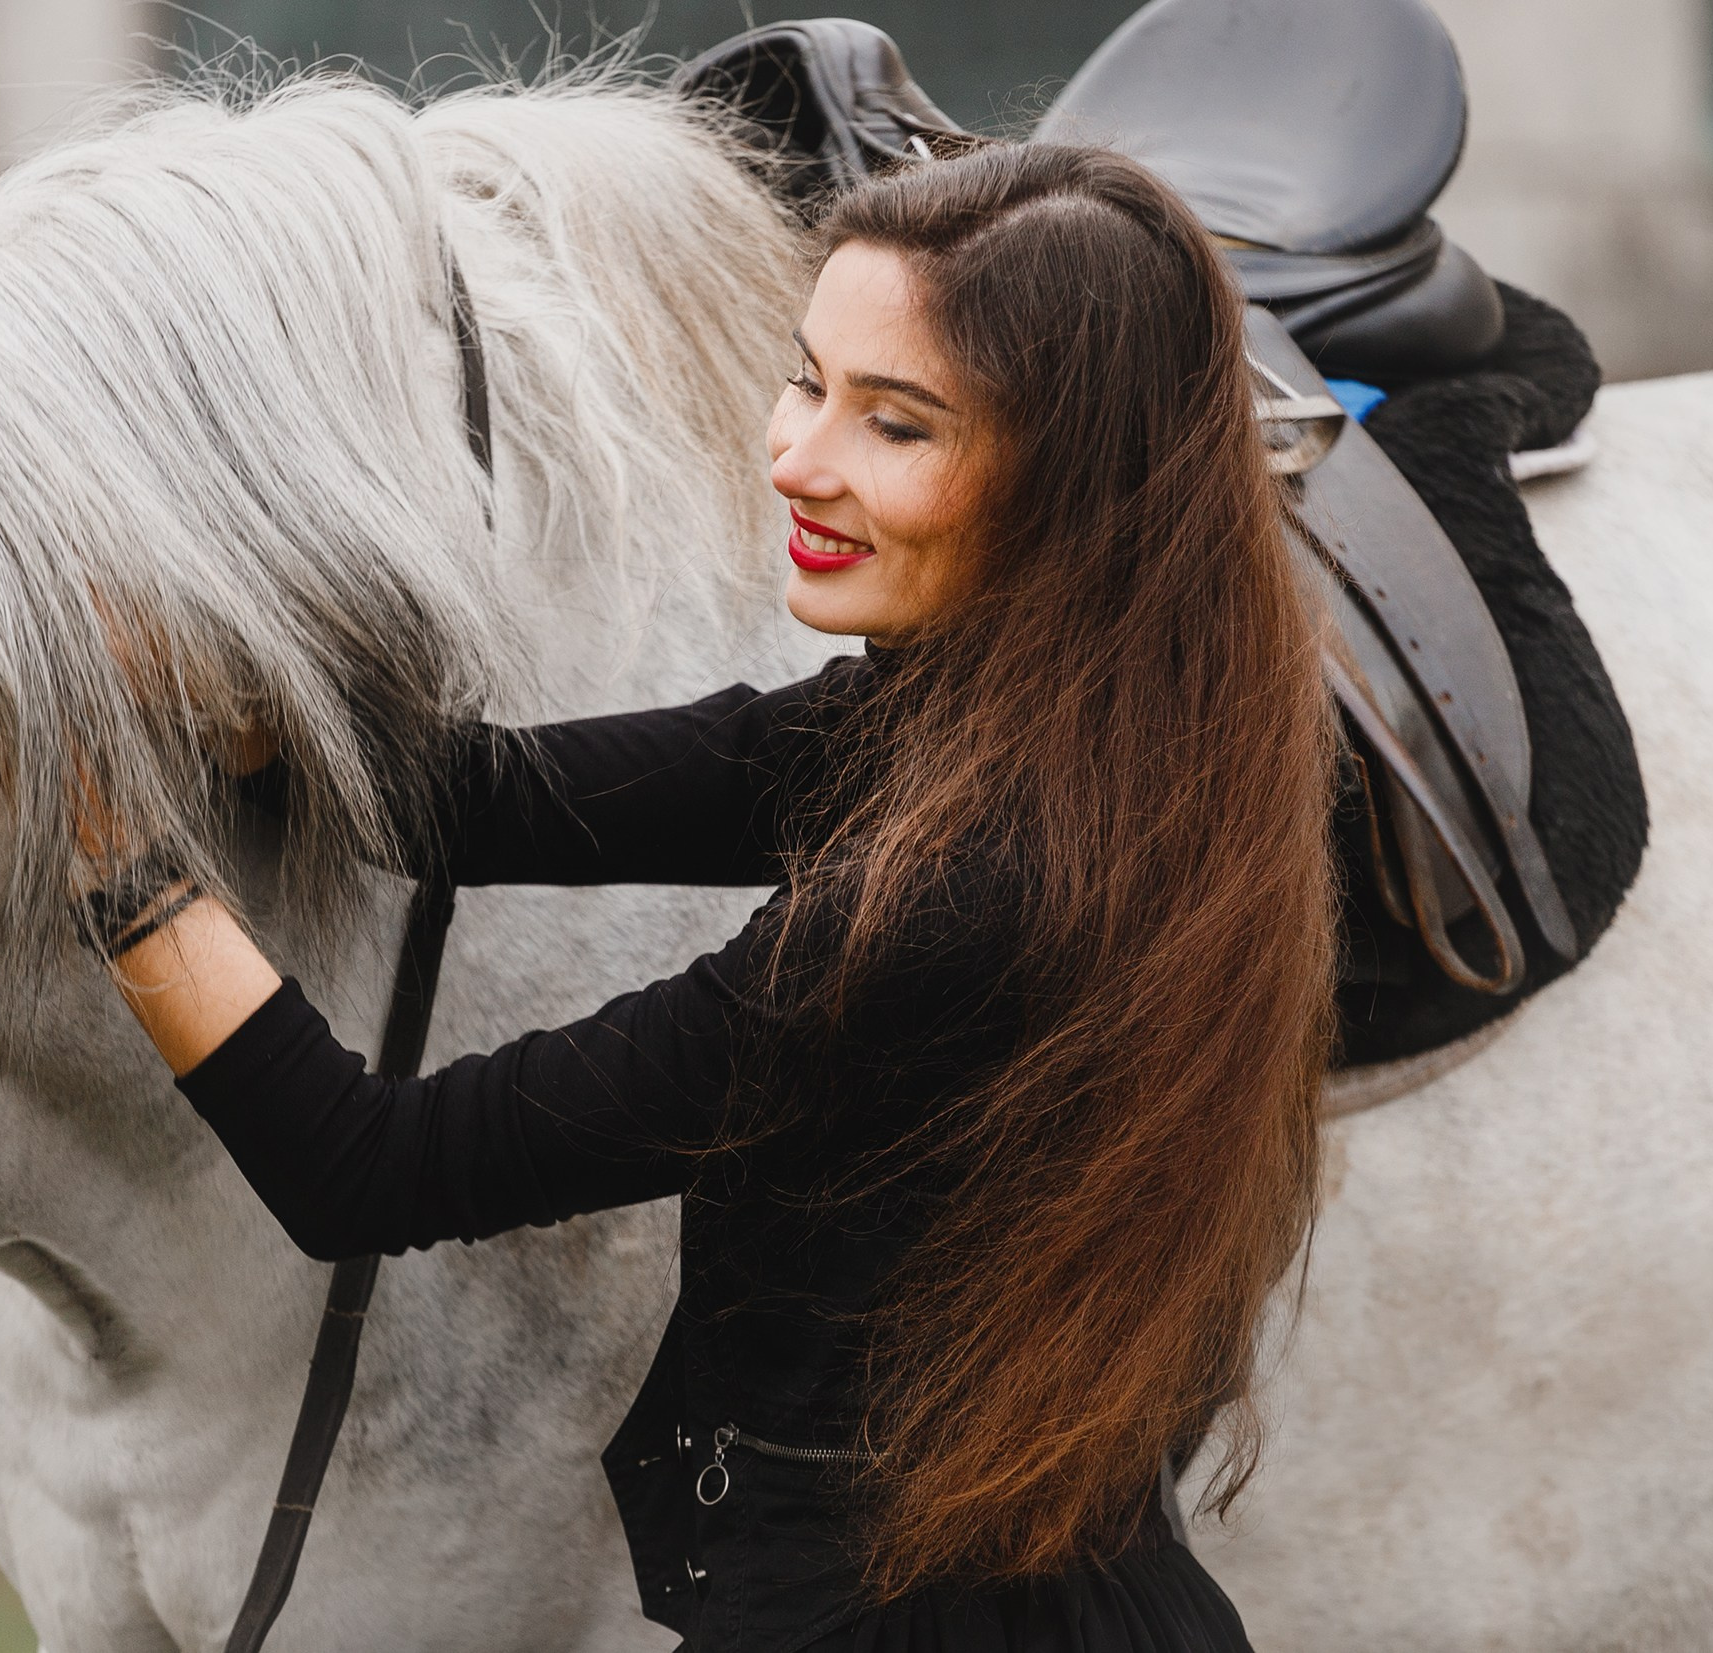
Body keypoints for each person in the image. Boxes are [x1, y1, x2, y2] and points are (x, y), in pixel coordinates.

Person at [77, 143, 1335, 1653]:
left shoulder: (960, 897)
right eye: (808, 381)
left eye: (897, 422)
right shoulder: (1049, 723)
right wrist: (215, 689)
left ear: (1069, 482)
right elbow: (481, 801)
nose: (797, 458)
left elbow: (372, 1167)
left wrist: (120, 862)